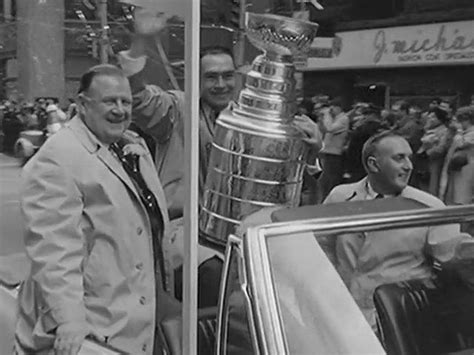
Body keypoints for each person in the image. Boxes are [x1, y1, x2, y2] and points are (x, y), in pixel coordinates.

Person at [119, 7, 322, 305]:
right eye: (211, 77)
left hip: (247, 239)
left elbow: (291, 193)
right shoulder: (178, 110)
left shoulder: (259, 120)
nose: (221, 84)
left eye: (228, 76)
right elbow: (136, 98)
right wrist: (141, 42)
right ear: (195, 79)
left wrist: (311, 154)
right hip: (188, 236)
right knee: (218, 286)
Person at [15, 64, 177, 354]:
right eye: (109, 101)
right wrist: (69, 321)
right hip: (94, 333)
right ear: (82, 105)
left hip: (137, 321)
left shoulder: (132, 146)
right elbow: (54, 250)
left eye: (125, 102)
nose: (120, 110)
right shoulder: (58, 157)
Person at [323, 131, 473, 328]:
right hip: (343, 315)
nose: (409, 166)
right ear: (373, 164)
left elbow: (453, 251)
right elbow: (321, 247)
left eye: (409, 158)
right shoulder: (340, 196)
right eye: (399, 158)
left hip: (400, 321)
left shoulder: (427, 206)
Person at [317, 96, 350, 202]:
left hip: (335, 153)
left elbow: (330, 129)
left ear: (339, 108)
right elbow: (323, 130)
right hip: (328, 151)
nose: (331, 110)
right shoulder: (335, 118)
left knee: (331, 179)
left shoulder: (343, 119)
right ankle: (324, 198)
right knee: (325, 178)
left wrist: (326, 115)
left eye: (333, 108)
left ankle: (330, 199)